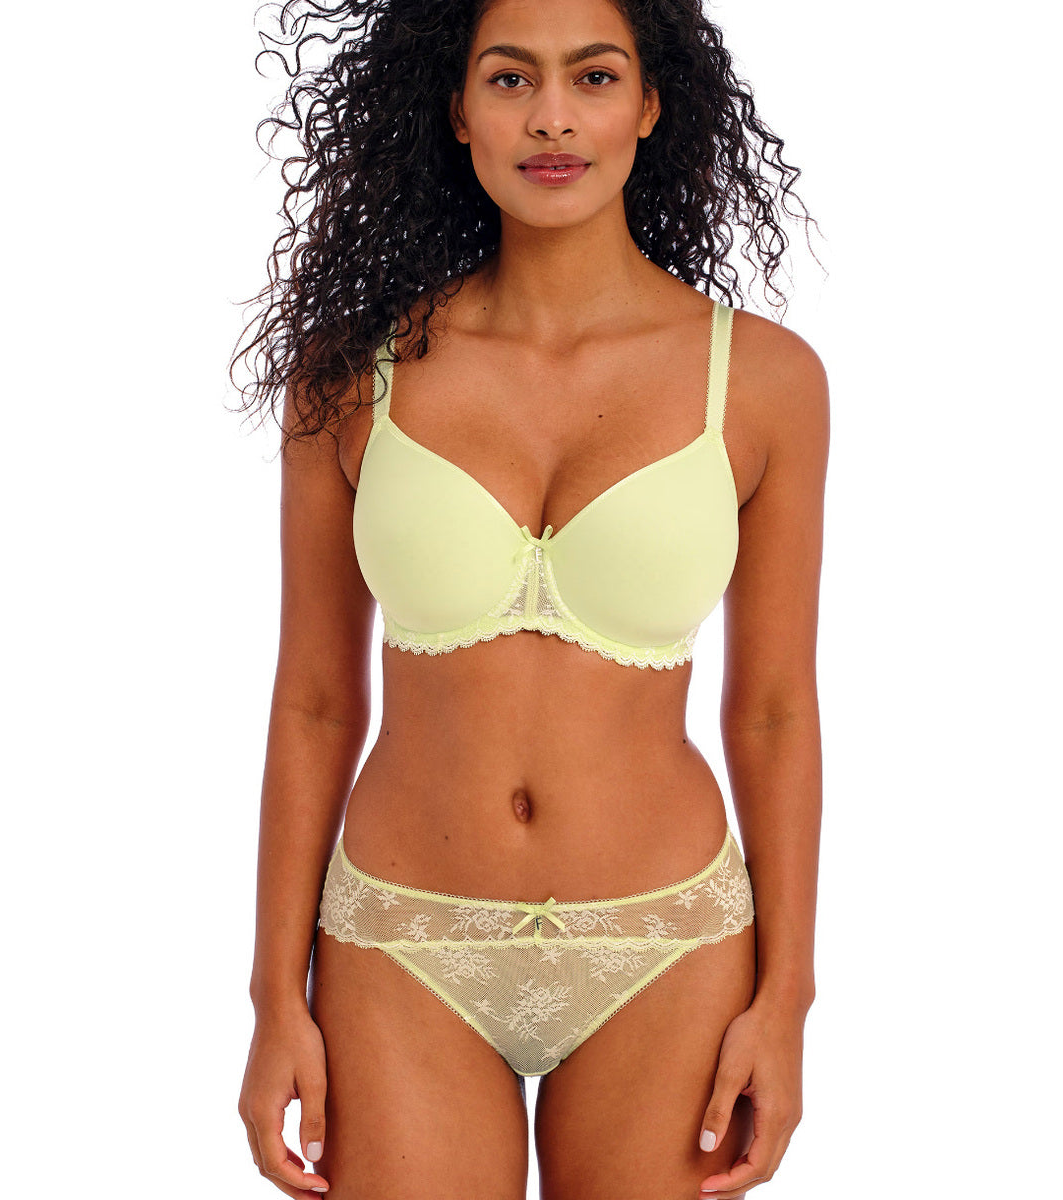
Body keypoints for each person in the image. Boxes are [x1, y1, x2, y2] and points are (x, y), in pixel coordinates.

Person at [232, 0, 828, 1196]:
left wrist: (787, 1001)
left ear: (650, 105)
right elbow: (313, 702)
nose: (552, 117)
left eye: (593, 77)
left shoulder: (764, 380)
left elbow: (772, 711)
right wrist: (272, 998)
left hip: (667, 944)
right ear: (457, 109)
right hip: (401, 941)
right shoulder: (349, 372)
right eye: (510, 80)